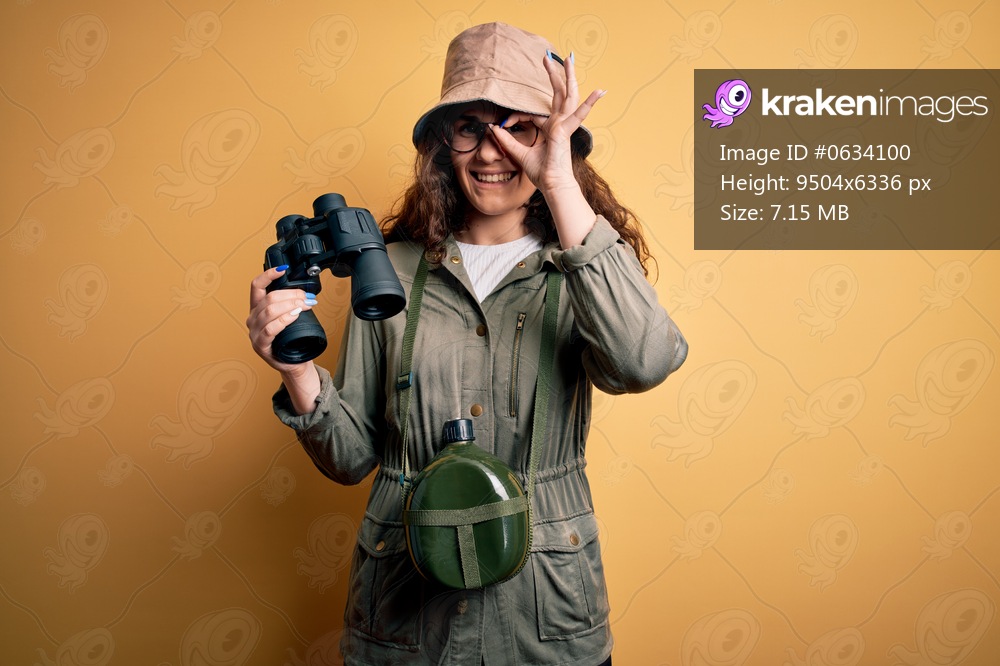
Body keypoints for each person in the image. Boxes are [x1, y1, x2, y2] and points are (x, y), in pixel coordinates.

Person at [247, 22, 687, 666]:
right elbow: (350, 458)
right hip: (405, 620)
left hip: (544, 616)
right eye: (470, 127)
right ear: (441, 144)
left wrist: (561, 185)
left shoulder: (584, 268)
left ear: (555, 143)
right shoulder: (388, 270)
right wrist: (297, 369)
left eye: (519, 128)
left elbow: (644, 362)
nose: (491, 151)